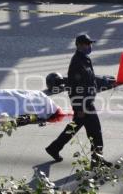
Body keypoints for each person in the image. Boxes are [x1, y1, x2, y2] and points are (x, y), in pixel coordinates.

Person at [45, 34, 112, 168]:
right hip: (84, 104)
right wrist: (80, 108)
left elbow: (89, 80)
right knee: (95, 131)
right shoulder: (77, 63)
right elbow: (73, 87)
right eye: (88, 44)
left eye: (90, 44)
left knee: (74, 127)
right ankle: (97, 159)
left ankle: (54, 148)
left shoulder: (84, 59)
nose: (90, 46)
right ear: (80, 45)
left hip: (86, 101)